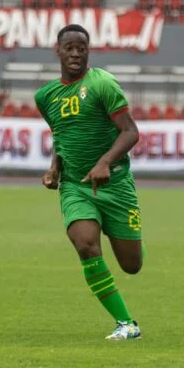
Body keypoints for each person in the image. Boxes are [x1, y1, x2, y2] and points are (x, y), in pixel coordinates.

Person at [35, 24, 144, 341]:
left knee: (132, 264)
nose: (75, 53)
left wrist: (105, 162)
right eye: (68, 47)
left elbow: (130, 131)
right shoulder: (45, 97)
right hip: (76, 186)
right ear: (58, 50)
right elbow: (61, 135)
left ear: (88, 51)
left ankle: (117, 227)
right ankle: (126, 324)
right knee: (85, 244)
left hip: (117, 184)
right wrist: (54, 168)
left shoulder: (104, 84)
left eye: (81, 48)